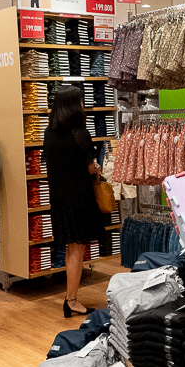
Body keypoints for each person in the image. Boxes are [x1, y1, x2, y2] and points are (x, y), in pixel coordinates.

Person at [43, 86, 104, 317]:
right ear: (73, 106)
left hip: (59, 200)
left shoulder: (49, 134)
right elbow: (89, 167)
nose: (82, 105)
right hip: (79, 198)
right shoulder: (79, 133)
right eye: (80, 101)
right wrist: (96, 168)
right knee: (78, 248)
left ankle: (71, 298)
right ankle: (72, 300)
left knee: (71, 247)